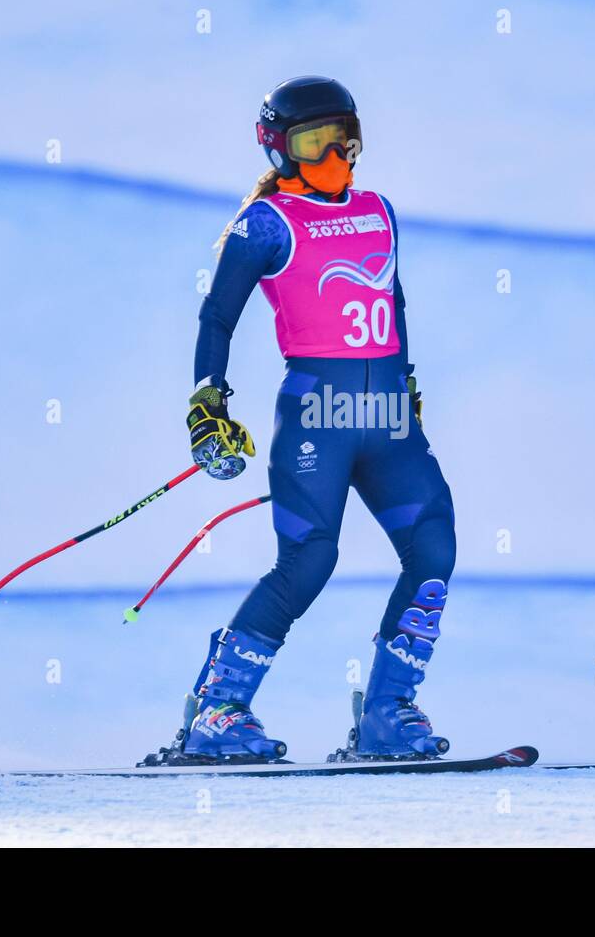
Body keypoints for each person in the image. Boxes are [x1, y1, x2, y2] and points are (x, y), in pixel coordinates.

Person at [180, 75, 455, 761]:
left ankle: (389, 714)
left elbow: (391, 299)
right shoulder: (264, 224)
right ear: (280, 149)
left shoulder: (380, 210)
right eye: (315, 141)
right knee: (310, 560)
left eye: (346, 137)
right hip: (318, 420)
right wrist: (207, 406)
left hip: (388, 420)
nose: (336, 155)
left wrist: (409, 386)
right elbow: (218, 317)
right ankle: (217, 713)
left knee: (434, 553)